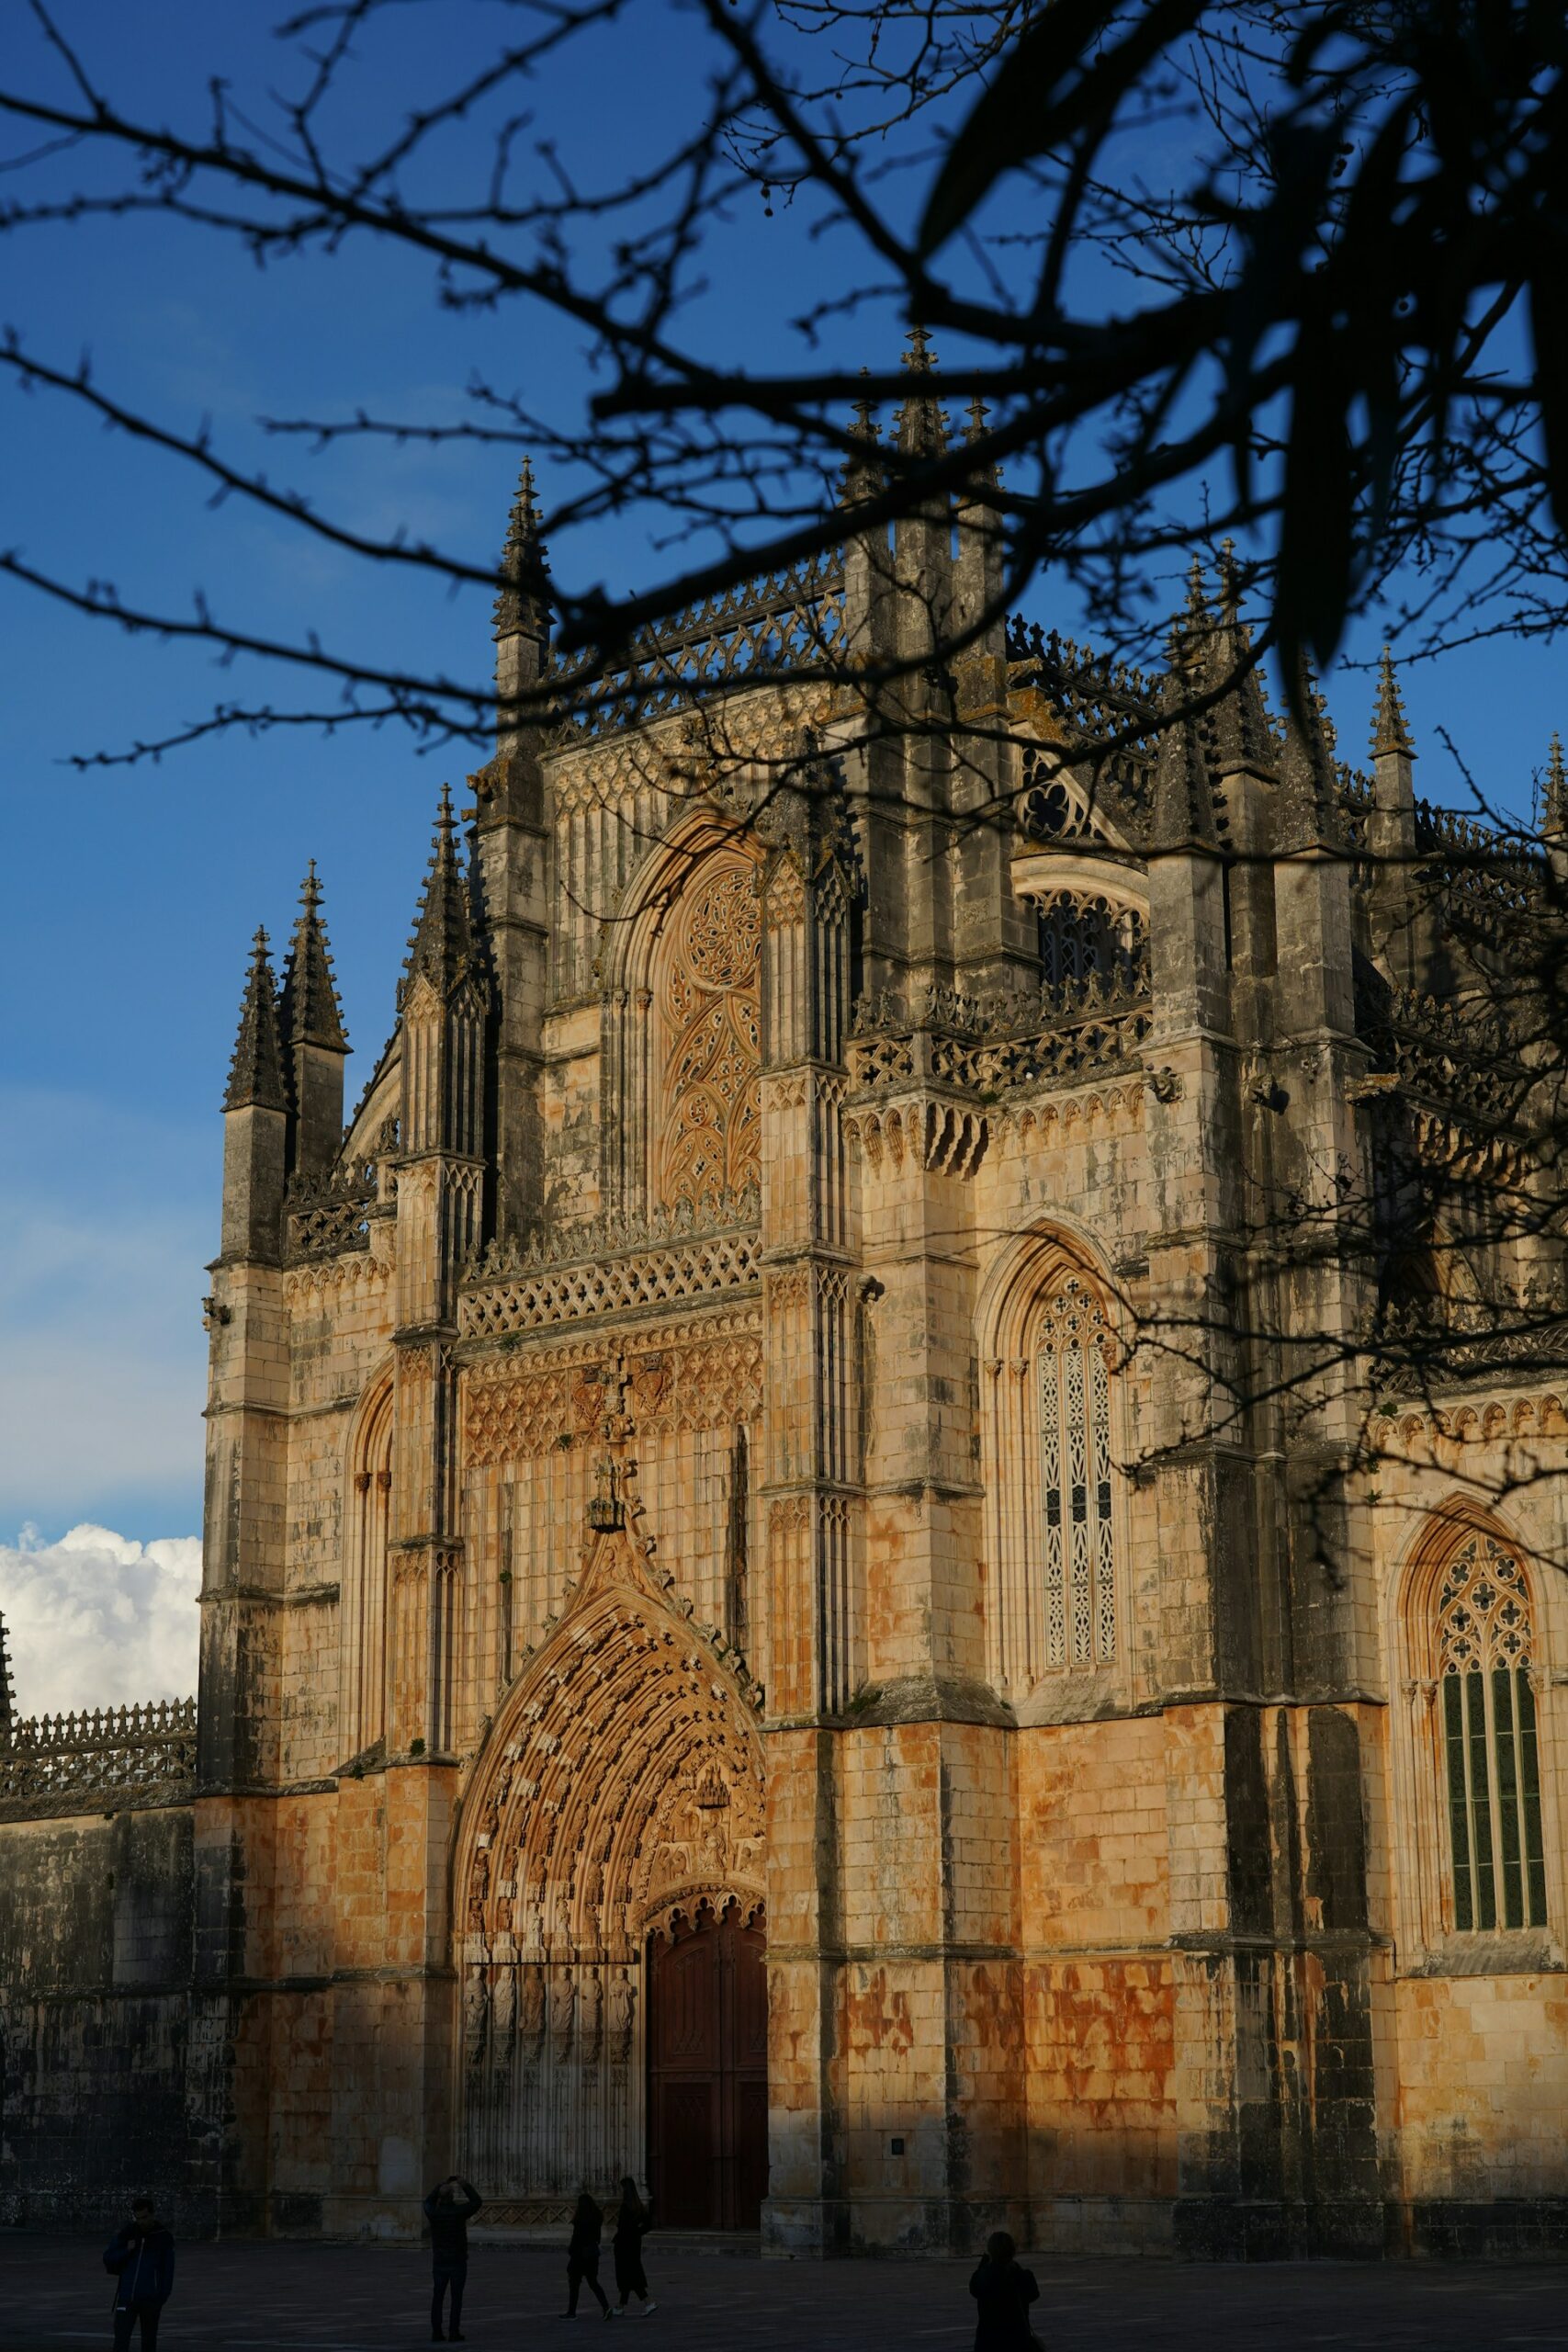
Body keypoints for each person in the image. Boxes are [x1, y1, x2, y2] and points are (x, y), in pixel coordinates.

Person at [103, 2196, 175, 2352]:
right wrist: (126, 2250)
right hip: (127, 2298)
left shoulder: (163, 2237)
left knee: (149, 2343)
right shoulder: (128, 2233)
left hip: (150, 2299)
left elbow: (168, 2271)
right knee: (121, 2342)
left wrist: (161, 2297)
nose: (141, 2221)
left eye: (144, 2217)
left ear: (152, 2214)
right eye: (138, 2218)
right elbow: (108, 2257)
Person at [423, 2173, 483, 2343]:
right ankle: (454, 2331)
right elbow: (477, 2202)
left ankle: (436, 2332)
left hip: (440, 2261)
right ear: (452, 2196)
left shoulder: (433, 2213)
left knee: (438, 2297)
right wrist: (465, 2185)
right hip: (457, 2261)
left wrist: (439, 2186)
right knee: (456, 2298)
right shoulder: (458, 2212)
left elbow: (427, 2202)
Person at [969, 2232, 1039, 2350]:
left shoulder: (984, 2276)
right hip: (1017, 2339)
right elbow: (1033, 2294)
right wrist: (1017, 2268)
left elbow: (974, 2289)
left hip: (988, 2341)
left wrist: (983, 2266)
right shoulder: (1021, 2276)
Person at [564, 2188, 615, 2320]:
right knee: (593, 2282)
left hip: (580, 2255)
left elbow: (576, 2238)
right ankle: (606, 2307)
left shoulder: (580, 2220)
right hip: (592, 2254)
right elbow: (597, 2237)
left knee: (574, 2284)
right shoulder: (596, 2217)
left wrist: (571, 2250)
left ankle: (571, 2312)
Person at [612, 2177, 656, 2315]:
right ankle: (620, 2306)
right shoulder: (639, 2206)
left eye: (621, 2188)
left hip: (624, 2245)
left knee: (630, 2275)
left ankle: (648, 2302)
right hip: (634, 2244)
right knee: (629, 2274)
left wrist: (629, 2232)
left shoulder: (626, 2207)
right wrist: (637, 2233)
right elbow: (648, 2225)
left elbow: (622, 2227)